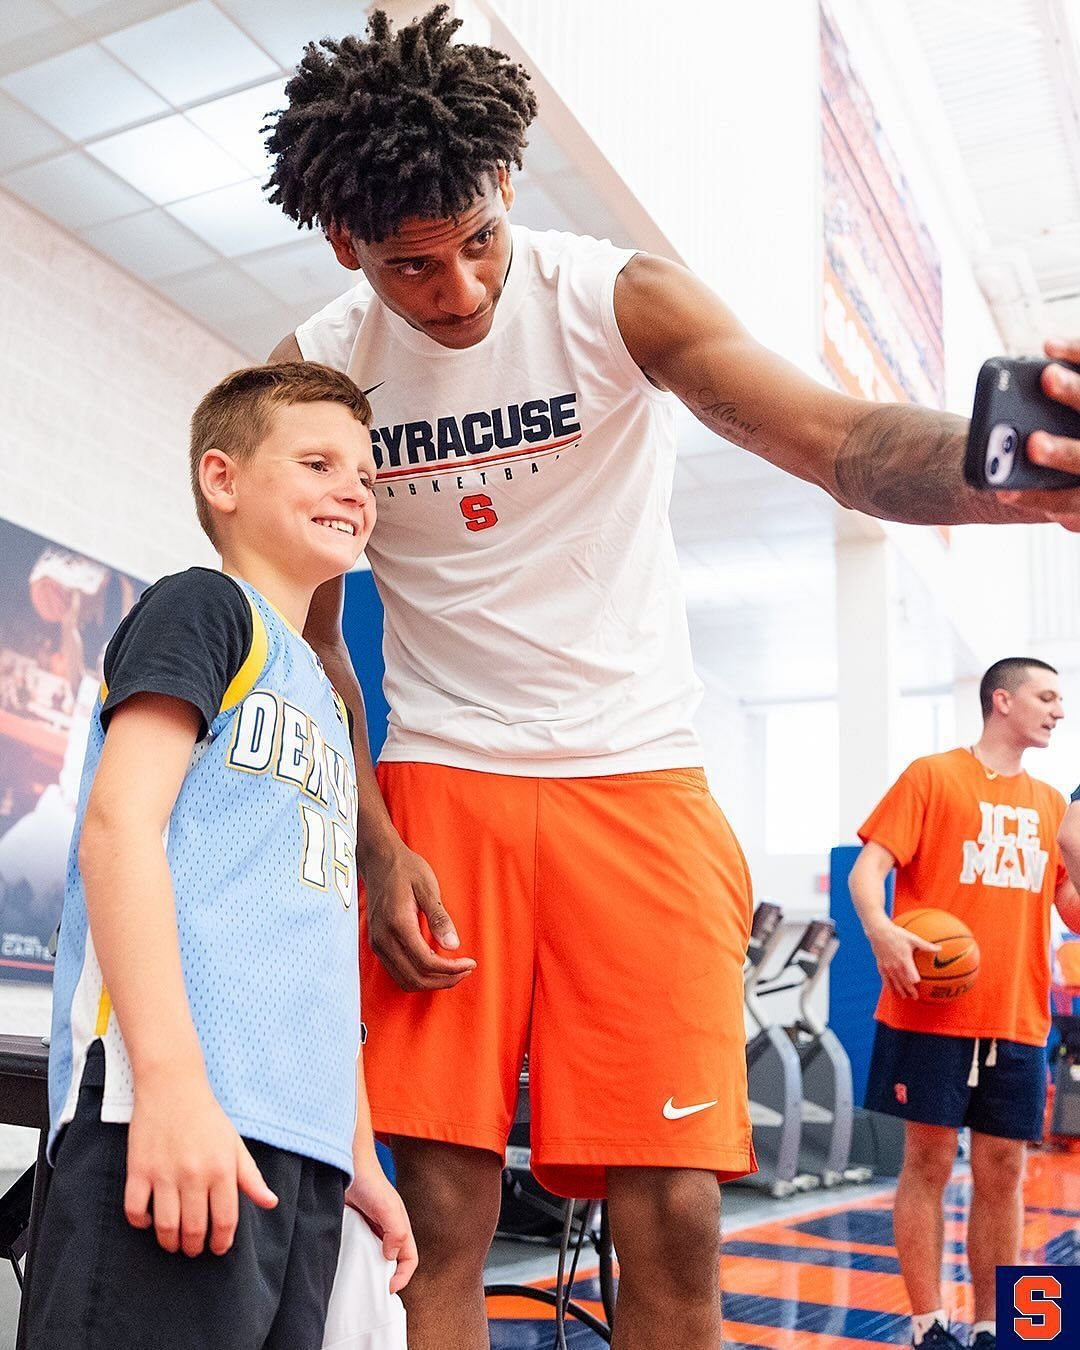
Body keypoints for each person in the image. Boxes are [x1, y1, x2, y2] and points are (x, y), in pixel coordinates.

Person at [261, 9, 1080, 1347]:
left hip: (634, 778)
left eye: (477, 241)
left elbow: (841, 438)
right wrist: (374, 840)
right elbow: (308, 637)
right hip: (444, 789)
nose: (460, 290)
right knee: (438, 1213)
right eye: (414, 266)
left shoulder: (611, 298)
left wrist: (1021, 473)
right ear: (349, 245)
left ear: (509, 186)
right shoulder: (322, 369)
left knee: (678, 1215)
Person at [25, 362, 415, 1350]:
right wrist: (169, 1087)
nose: (351, 489)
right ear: (223, 479)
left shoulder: (328, 704)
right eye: (320, 462)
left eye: (364, 477)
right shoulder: (204, 608)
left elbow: (319, 942)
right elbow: (120, 827)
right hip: (174, 1117)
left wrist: (359, 1150)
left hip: (304, 1151)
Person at [849, 658, 1080, 1350]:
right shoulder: (932, 775)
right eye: (1046, 697)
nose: (1058, 710)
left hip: (1016, 1014)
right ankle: (927, 1326)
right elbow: (868, 874)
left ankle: (994, 1325)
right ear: (1001, 701)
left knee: (1005, 1172)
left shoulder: (1049, 806)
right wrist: (884, 933)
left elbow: (1072, 909)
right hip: (932, 1009)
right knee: (926, 1163)